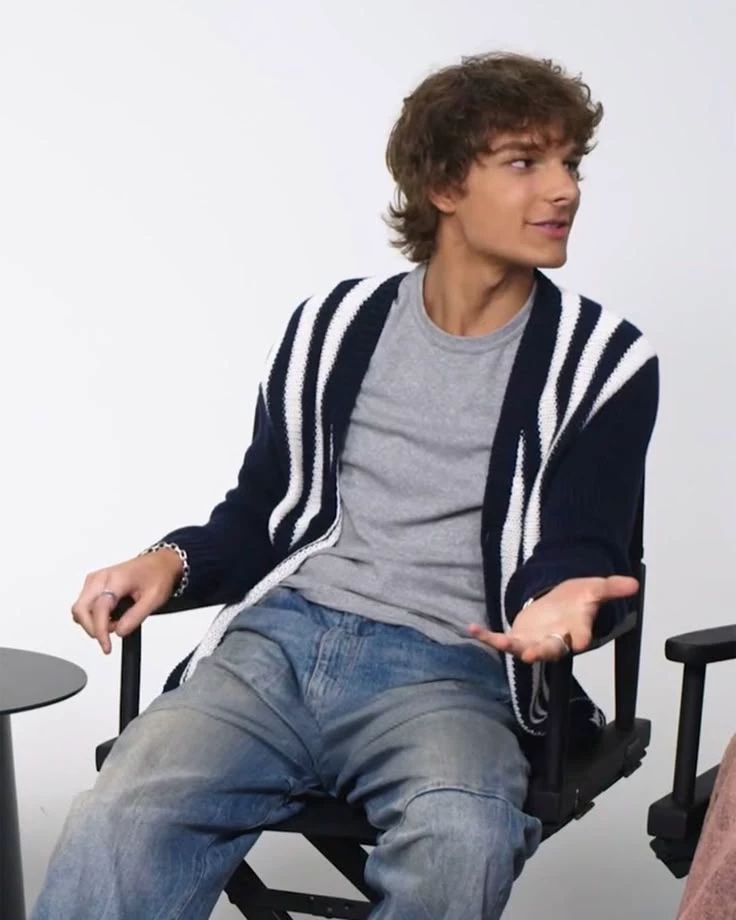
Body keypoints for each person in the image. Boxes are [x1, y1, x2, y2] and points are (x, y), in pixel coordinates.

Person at [31, 51, 659, 919]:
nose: (564, 190)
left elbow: (582, 544)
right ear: (444, 185)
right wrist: (169, 560)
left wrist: (566, 596)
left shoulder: (600, 361)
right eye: (525, 162)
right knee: (120, 818)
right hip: (277, 648)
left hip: (453, 670)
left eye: (570, 163)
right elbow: (261, 515)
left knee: (462, 841)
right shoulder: (332, 326)